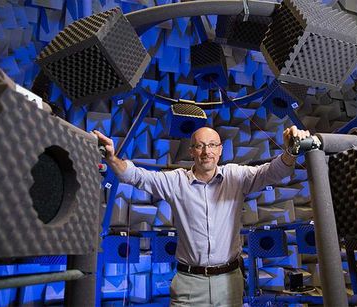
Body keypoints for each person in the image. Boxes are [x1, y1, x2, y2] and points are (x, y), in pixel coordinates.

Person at [94, 125, 310, 306]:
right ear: (191, 151)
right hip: (189, 282)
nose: (206, 151)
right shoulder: (175, 181)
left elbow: (272, 172)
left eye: (212, 145)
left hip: (229, 282)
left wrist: (290, 152)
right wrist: (112, 158)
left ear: (220, 150)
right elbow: (136, 176)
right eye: (200, 146)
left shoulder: (236, 176)